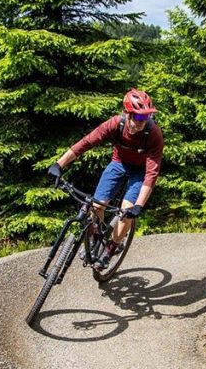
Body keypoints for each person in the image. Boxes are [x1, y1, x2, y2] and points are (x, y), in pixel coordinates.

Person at [48, 88, 164, 268]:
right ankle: (96, 236)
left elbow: (151, 174)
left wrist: (139, 205)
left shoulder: (153, 134)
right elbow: (86, 142)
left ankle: (111, 248)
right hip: (119, 163)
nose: (142, 122)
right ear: (127, 113)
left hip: (140, 172)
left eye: (146, 117)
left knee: (127, 211)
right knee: (97, 205)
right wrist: (59, 165)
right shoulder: (115, 124)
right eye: (138, 117)